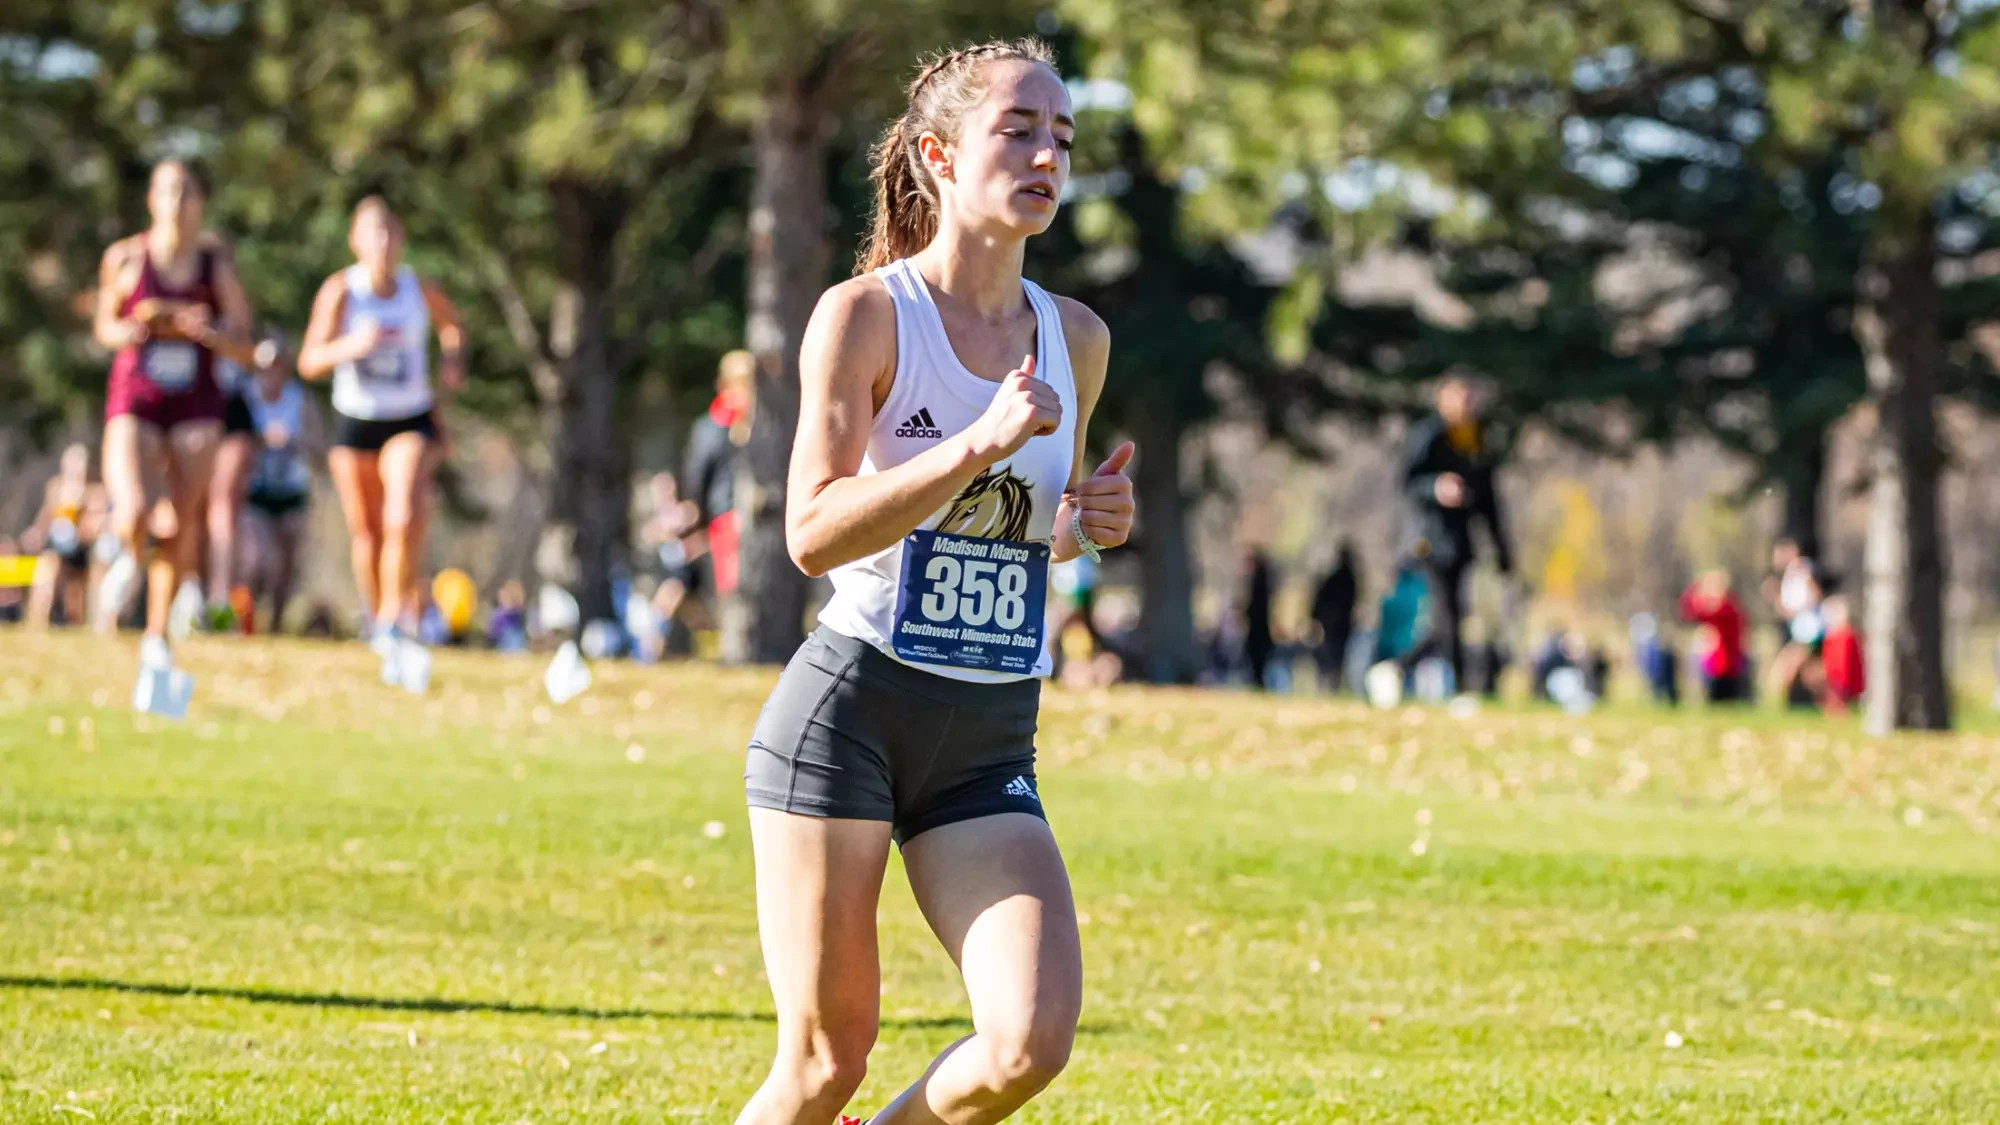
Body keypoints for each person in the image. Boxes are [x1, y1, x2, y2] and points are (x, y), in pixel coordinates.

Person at [731, 39, 1135, 1125]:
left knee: (1025, 1043)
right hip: (850, 717)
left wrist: (1082, 523)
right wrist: (973, 445)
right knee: (822, 1068)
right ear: (938, 156)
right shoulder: (864, 316)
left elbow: (1012, 532)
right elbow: (810, 535)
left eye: (1061, 136)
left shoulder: (1075, 340)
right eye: (1017, 129)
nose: (1046, 153)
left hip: (988, 739)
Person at [94, 158, 255, 686]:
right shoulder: (126, 258)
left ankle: (157, 636)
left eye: (187, 191)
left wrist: (207, 331)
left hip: (195, 402)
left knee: (182, 520)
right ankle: (124, 553)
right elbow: (105, 327)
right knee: (137, 507)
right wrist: (140, 326)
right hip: (136, 398)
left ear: (200, 203)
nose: (177, 201)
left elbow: (242, 341)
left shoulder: (216, 265)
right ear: (151, 199)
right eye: (168, 190)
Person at [298, 196, 466, 687]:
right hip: (355, 421)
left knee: (403, 514)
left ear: (401, 239)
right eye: (373, 233)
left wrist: (452, 360)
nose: (383, 243)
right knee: (367, 533)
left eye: (391, 232)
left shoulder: (418, 289)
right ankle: (379, 622)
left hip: (408, 416)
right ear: (355, 241)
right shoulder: (341, 292)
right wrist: (352, 346)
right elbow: (309, 360)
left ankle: (397, 616)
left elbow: (452, 325)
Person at [1392, 375, 1514, 693]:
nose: (1466, 406)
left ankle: (1397, 669)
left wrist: (1502, 550)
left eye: (1471, 399)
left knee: (1451, 616)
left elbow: (1489, 502)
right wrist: (1436, 487)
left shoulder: (1477, 441)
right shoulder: (1430, 435)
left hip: (1461, 542)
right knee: (1449, 616)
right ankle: (1455, 687)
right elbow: (1407, 482)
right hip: (1430, 540)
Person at [237, 334, 320, 632]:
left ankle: (276, 624)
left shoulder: (300, 399)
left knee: (287, 563)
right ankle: (246, 621)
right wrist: (260, 440)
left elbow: (318, 446)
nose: (269, 372)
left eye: (275, 365)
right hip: (254, 490)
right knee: (258, 561)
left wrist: (294, 442)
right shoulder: (245, 397)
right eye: (263, 366)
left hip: (291, 489)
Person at [684, 349, 755, 606]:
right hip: (731, 518)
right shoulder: (761, 424)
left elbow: (697, 477)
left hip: (723, 520)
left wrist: (697, 518)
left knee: (730, 595)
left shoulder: (710, 426)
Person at [23, 443, 106, 629]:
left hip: (81, 544)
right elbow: (46, 515)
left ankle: (74, 624)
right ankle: (38, 622)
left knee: (77, 588)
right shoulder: (55, 487)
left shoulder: (93, 491)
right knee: (47, 575)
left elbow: (95, 522)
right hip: (56, 542)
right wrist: (36, 532)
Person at [1680, 569, 1750, 704]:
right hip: (1719, 666)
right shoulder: (1730, 606)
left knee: (1723, 705)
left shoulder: (1725, 608)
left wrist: (1695, 588)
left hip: (1724, 668)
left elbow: (1692, 611)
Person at [1311, 543, 1359, 692]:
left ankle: (1332, 686)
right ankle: (1330, 686)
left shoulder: (1343, 578)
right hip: (1335, 626)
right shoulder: (1343, 578)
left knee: (1334, 658)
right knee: (1332, 658)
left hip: (1337, 626)